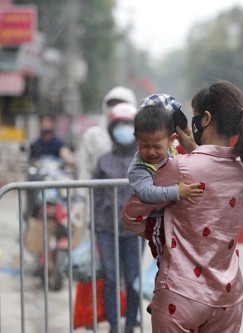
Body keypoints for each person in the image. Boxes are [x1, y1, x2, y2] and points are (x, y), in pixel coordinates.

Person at [121, 80, 243, 332]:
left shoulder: (181, 167)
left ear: (206, 118)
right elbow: (214, 164)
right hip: (228, 296)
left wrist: (160, 227)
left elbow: (131, 217)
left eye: (195, 116)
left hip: (180, 292)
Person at [129, 93, 203, 261]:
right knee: (169, 264)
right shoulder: (139, 168)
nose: (151, 152)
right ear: (136, 141)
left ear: (171, 139)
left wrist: (192, 146)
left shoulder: (172, 150)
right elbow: (146, 193)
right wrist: (177, 192)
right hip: (158, 224)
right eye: (144, 146)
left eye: (157, 146)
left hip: (176, 222)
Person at [93, 102, 142, 333]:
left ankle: (131, 323)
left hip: (135, 229)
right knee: (111, 276)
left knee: (133, 278)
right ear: (112, 129)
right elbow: (95, 196)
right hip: (106, 227)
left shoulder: (144, 158)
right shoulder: (103, 161)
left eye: (128, 124)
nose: (123, 128)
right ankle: (114, 324)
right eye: (119, 124)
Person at [78, 86, 137, 181]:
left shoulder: (141, 136)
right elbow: (85, 168)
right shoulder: (92, 135)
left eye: (121, 104)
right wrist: (82, 194)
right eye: (112, 104)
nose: (116, 108)